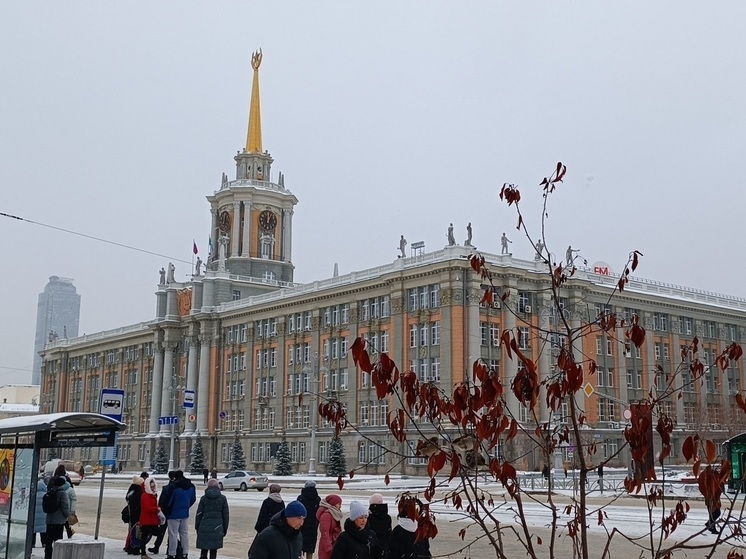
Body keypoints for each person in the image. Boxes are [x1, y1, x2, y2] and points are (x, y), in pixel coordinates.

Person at [163, 470, 196, 559]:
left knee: (173, 534)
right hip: (184, 513)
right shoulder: (191, 486)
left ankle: (172, 554)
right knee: (184, 534)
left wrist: (167, 510)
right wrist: (186, 506)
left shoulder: (174, 487)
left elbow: (169, 501)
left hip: (173, 514)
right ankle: (185, 553)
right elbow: (193, 499)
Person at [195, 479, 229, 559]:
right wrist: (224, 528)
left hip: (204, 526)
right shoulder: (222, 498)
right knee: (214, 549)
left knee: (204, 548)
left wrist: (197, 527)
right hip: (217, 526)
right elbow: (225, 515)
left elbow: (199, 514)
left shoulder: (204, 498)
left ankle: (203, 557)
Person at [44, 477, 71, 559]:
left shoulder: (50, 492)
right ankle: (56, 556)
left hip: (49, 520)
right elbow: (65, 507)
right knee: (58, 541)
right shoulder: (62, 493)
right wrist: (68, 516)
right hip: (58, 521)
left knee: (49, 540)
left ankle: (47, 556)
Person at [297, 481, 321, 559]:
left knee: (301, 544)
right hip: (313, 524)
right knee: (310, 545)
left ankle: (301, 556)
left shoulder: (301, 497)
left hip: (302, 523)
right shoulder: (317, 498)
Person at [140, 478, 161, 558]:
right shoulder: (145, 495)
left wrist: (157, 508)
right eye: (151, 486)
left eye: (154, 486)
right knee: (144, 537)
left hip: (151, 519)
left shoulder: (152, 495)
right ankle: (143, 553)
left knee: (146, 536)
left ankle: (143, 553)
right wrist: (156, 509)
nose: (153, 488)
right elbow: (147, 508)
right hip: (147, 519)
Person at [316, 494, 343, 559]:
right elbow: (324, 533)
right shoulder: (326, 516)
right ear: (333, 504)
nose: (340, 506)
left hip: (333, 543)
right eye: (338, 504)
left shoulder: (333, 513)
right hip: (327, 546)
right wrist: (329, 548)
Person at [126, 476, 146, 554]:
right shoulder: (138, 490)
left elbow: (127, 498)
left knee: (132, 530)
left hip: (132, 512)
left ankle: (130, 547)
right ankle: (135, 548)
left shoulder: (131, 489)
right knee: (136, 531)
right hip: (137, 513)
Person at [367, 494, 391, 559]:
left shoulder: (369, 517)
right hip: (384, 545)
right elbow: (389, 533)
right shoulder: (387, 517)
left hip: (372, 545)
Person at [34, 477, 47, 549]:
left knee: (33, 530)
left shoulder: (34, 495)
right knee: (43, 530)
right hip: (43, 516)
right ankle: (44, 542)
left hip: (35, 516)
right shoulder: (46, 495)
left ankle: (32, 543)